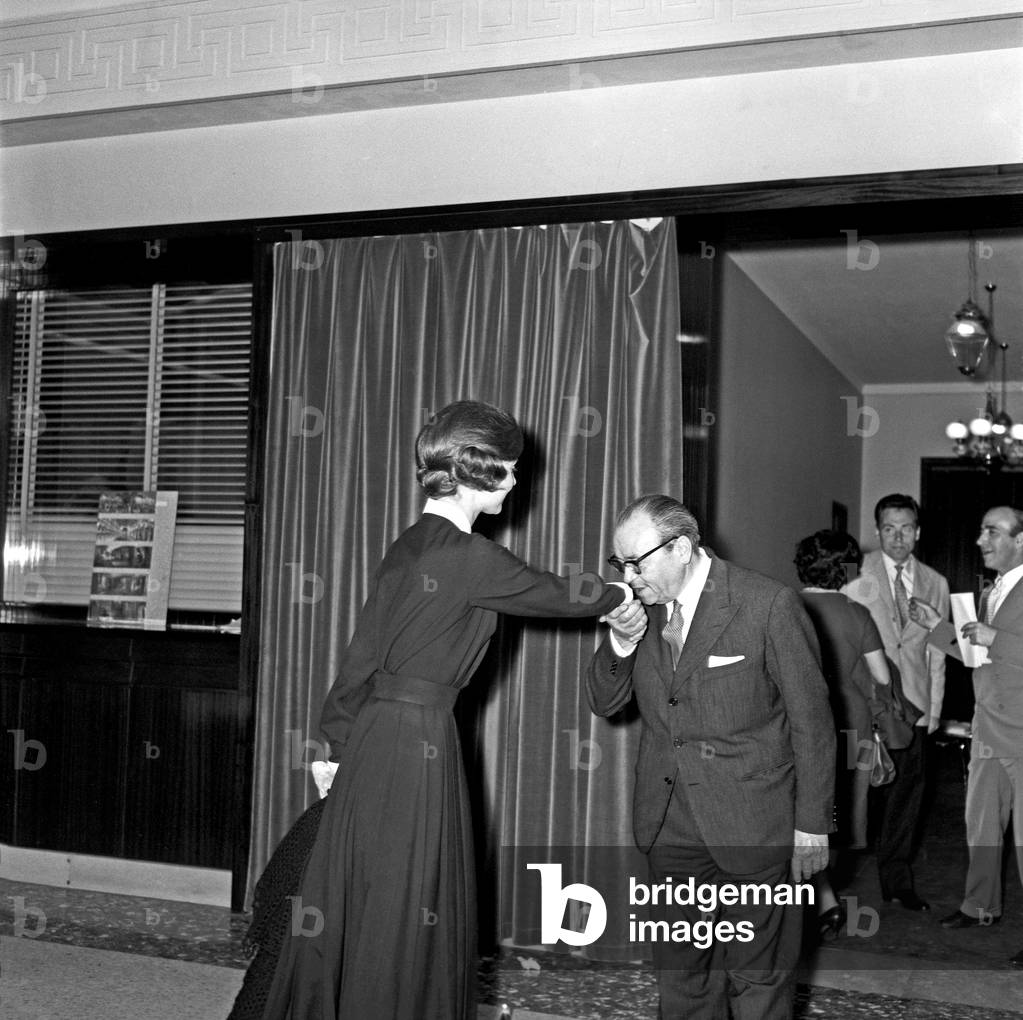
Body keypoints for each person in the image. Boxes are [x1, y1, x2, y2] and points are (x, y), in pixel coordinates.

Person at [232, 400, 634, 1020]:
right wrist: (626, 594)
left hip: (373, 735)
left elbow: (360, 655)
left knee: (371, 891)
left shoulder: (411, 543)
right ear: (482, 470)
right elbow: (560, 594)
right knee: (407, 894)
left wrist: (335, 742)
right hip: (418, 736)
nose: (518, 480)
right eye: (511, 467)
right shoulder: (468, 556)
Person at [586, 494, 834, 1020]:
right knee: (682, 979)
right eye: (619, 563)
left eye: (637, 562)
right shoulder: (638, 611)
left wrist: (813, 823)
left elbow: (813, 723)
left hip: (755, 823)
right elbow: (605, 703)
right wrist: (622, 643)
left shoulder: (766, 604)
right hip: (670, 828)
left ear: (680, 547)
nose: (627, 577)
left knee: (758, 979)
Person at [910, 505, 1023, 965]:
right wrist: (935, 625)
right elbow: (979, 655)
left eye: (992, 531)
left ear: (1020, 539)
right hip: (987, 729)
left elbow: (997, 643)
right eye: (980, 531)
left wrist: (997, 638)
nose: (981, 540)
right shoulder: (990, 590)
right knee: (981, 829)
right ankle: (980, 907)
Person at [841, 493, 949, 911]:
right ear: (877, 531)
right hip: (869, 706)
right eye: (889, 528)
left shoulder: (935, 583)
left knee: (907, 797)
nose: (898, 537)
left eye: (906, 528)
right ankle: (834, 882)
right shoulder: (855, 576)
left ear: (917, 532)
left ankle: (898, 882)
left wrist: (935, 710)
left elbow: (938, 652)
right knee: (856, 794)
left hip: (916, 706)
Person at [794, 530, 895, 939]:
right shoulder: (857, 613)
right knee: (836, 814)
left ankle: (814, 900)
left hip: (799, 720)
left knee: (798, 810)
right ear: (847, 571)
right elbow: (882, 676)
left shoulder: (785, 606)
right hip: (849, 723)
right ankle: (825, 899)